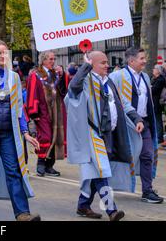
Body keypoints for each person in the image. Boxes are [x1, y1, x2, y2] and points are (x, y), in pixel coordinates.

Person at [65, 51, 143, 221]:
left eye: (107, 62)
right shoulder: (86, 80)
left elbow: (124, 103)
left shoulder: (110, 82)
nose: (107, 65)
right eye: (103, 62)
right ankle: (111, 210)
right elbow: (73, 88)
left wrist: (136, 118)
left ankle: (83, 205)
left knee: (95, 172)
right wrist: (84, 66)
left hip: (110, 134)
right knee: (101, 172)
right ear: (91, 64)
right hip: (93, 135)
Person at [0, 40, 40, 222]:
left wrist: (25, 132)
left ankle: (22, 214)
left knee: (14, 172)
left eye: (5, 53)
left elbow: (19, 108)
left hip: (8, 134)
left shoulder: (14, 77)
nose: (3, 56)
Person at [110, 48, 163, 204]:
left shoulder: (145, 77)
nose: (145, 61)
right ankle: (103, 185)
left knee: (148, 155)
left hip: (144, 123)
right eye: (141, 58)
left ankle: (147, 191)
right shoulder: (117, 76)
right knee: (121, 156)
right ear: (131, 61)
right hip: (126, 125)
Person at [25, 51, 68, 177]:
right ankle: (41, 163)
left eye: (54, 59)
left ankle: (50, 165)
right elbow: (32, 93)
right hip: (43, 110)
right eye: (50, 59)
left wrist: (62, 74)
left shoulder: (56, 74)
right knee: (45, 137)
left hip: (57, 111)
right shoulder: (36, 74)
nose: (53, 61)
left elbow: (64, 90)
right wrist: (34, 112)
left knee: (57, 137)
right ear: (43, 60)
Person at [151, 65, 166, 146]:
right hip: (154, 102)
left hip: (158, 103)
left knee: (158, 120)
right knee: (156, 120)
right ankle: (157, 136)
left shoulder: (160, 79)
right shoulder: (154, 79)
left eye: (155, 68)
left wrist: (150, 88)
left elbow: (153, 90)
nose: (153, 69)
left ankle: (160, 138)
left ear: (158, 71)